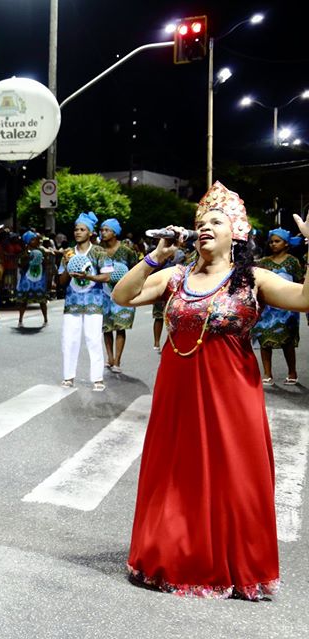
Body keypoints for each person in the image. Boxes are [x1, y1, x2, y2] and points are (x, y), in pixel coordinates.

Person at [111, 181, 305, 600]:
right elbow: (122, 295)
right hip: (178, 393)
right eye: (200, 221)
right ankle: (175, 554)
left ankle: (231, 563)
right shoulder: (176, 276)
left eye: (215, 221)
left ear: (237, 231)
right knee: (177, 477)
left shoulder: (252, 279)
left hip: (232, 397)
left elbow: (304, 299)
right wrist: (155, 257)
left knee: (233, 477)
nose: (204, 227)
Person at [58, 212, 112, 390]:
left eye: (82, 229)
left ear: (90, 232)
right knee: (69, 340)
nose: (78, 232)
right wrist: (67, 265)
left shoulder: (98, 252)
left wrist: (88, 276)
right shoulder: (68, 253)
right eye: (76, 229)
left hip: (94, 302)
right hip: (72, 302)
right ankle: (68, 377)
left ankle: (97, 379)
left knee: (93, 339)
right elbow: (61, 281)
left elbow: (106, 276)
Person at [251, 227, 304, 385]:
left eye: (277, 241)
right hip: (267, 310)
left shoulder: (293, 262)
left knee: (287, 342)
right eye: (271, 242)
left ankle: (292, 373)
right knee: (264, 340)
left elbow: (300, 283)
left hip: (288, 309)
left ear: (286, 243)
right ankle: (267, 374)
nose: (273, 244)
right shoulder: (263, 262)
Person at [100, 218, 140, 373]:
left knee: (120, 327)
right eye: (102, 230)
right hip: (103, 294)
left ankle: (117, 360)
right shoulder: (98, 251)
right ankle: (109, 358)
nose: (103, 233)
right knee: (106, 327)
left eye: (107, 230)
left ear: (115, 232)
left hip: (123, 294)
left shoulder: (127, 251)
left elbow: (136, 271)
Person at [15, 231, 50, 327]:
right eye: (33, 239)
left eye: (36, 239)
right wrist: (29, 259)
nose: (36, 241)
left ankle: (46, 319)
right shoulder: (23, 253)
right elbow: (20, 265)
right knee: (24, 301)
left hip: (40, 279)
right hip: (27, 279)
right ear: (28, 241)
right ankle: (20, 320)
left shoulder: (41, 251)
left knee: (42, 300)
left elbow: (46, 264)